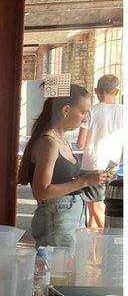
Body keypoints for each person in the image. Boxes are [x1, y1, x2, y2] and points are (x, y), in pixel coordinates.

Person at [19, 85, 111, 247]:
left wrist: (92, 178)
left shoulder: (62, 140)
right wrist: (84, 181)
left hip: (69, 214)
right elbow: (41, 191)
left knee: (69, 268)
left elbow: (61, 178)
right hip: (57, 217)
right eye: (83, 112)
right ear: (66, 110)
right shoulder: (49, 143)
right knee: (60, 268)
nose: (85, 119)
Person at [77, 75, 124, 227]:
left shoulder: (91, 112)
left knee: (95, 206)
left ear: (96, 91)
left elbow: (80, 143)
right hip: (113, 164)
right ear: (116, 92)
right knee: (102, 205)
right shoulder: (123, 111)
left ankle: (108, 240)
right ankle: (95, 249)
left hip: (93, 164)